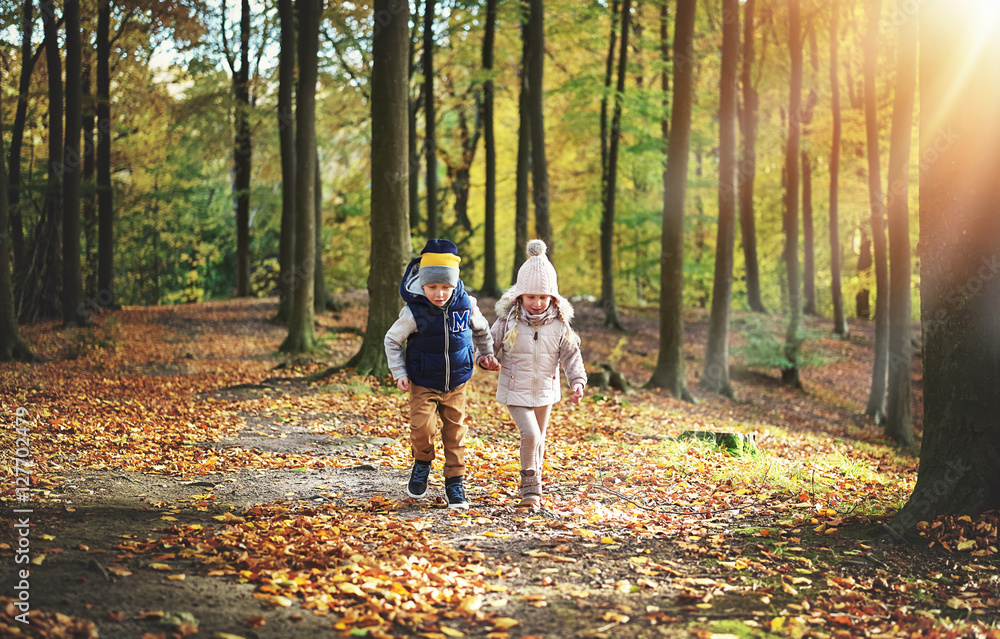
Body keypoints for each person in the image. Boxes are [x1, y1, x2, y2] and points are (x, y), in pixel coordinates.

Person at [384, 239, 498, 509]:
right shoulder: (413, 312)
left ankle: (455, 482)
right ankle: (422, 462)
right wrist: (399, 371)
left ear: (454, 284)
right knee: (422, 428)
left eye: (446, 287)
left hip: (457, 382)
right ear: (422, 284)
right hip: (423, 381)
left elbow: (482, 331)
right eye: (432, 287)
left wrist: (485, 355)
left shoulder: (466, 304)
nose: (439, 293)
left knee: (455, 432)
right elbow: (391, 340)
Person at [490, 239, 586, 508]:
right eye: (531, 296)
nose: (537, 302)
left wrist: (577, 381)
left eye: (543, 297)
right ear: (520, 295)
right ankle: (529, 488)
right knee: (530, 435)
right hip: (515, 389)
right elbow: (488, 344)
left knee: (540, 440)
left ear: (552, 298)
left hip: (546, 390)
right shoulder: (508, 321)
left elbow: (571, 355)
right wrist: (485, 358)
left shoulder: (559, 325)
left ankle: (537, 488)